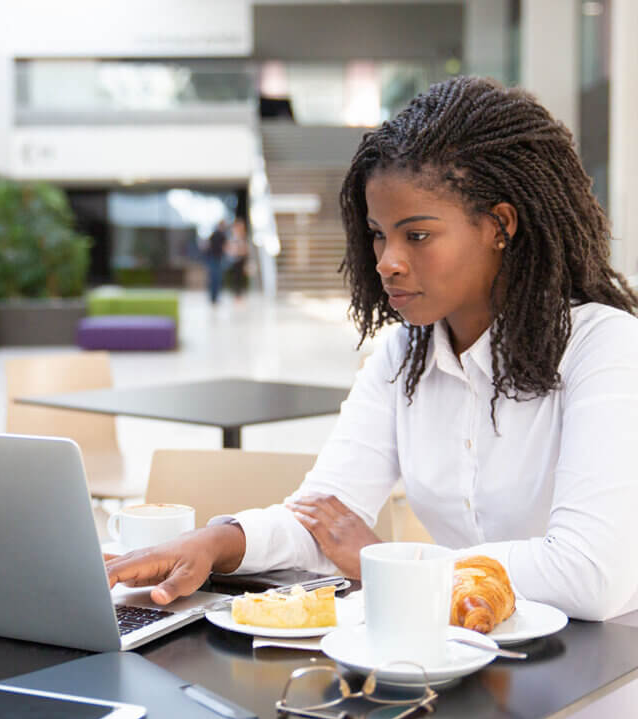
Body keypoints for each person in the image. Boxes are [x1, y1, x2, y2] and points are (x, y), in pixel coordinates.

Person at [105, 76, 638, 623]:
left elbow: (590, 575)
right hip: (467, 653)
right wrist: (216, 542)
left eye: (418, 235)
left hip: (607, 673)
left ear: (499, 225)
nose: (387, 260)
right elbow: (323, 519)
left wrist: (386, 561)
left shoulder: (604, 346)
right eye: (379, 234)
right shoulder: (403, 355)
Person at [227, 216, 249, 300]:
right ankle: (236, 295)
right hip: (235, 260)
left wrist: (240, 250)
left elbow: (245, 249)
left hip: (241, 259)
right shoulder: (233, 237)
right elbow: (229, 248)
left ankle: (239, 295)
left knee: (240, 278)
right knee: (235, 278)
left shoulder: (243, 237)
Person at [206, 220, 228, 304]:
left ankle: (214, 298)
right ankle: (213, 298)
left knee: (217, 279)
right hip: (214, 258)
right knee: (214, 278)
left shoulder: (221, 235)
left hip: (218, 259)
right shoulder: (215, 235)